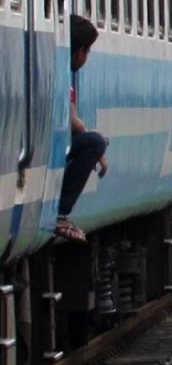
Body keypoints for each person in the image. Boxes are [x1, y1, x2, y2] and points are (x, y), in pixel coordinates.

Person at [57, 15, 110, 243]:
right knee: (95, 142)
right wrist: (97, 146)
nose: (86, 57)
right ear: (80, 51)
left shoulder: (60, 69)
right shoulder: (61, 71)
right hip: (50, 147)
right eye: (87, 52)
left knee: (94, 141)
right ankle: (60, 212)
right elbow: (72, 120)